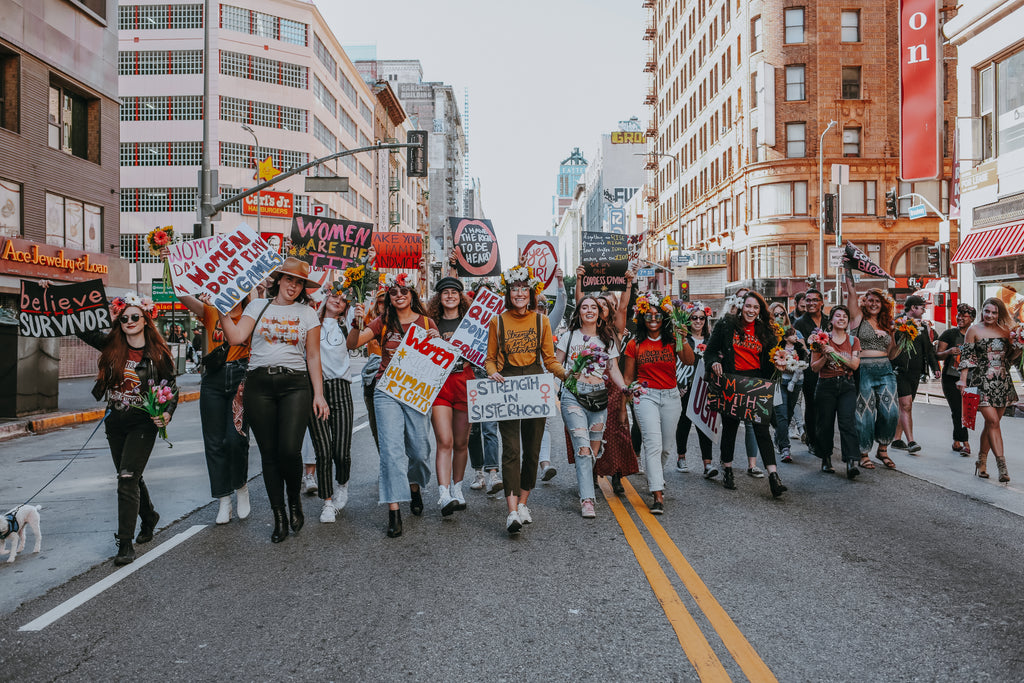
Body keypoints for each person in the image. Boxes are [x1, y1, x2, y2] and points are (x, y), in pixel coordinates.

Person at [215, 257, 328, 543]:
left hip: (295, 385)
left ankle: (293, 501)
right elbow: (237, 337)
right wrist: (221, 311)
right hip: (259, 384)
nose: (293, 286)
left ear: (304, 287)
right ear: (279, 280)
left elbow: (313, 356)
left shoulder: (307, 313)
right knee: (269, 455)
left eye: (299, 282)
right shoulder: (257, 306)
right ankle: (279, 516)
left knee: (289, 450)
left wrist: (319, 394)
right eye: (289, 279)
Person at [76, 292, 178, 565]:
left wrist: (166, 414)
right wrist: (50, 294)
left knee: (127, 477)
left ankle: (124, 544)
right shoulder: (111, 345)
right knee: (129, 475)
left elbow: (171, 387)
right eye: (124, 318)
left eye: (135, 317)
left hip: (142, 422)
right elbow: (79, 327)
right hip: (115, 421)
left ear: (145, 319)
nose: (130, 321)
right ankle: (149, 516)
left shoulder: (158, 353)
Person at [347, 272, 435, 537]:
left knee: (419, 451)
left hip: (416, 392)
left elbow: (438, 361)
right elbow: (353, 344)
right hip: (386, 390)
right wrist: (356, 322)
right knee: (391, 451)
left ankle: (415, 486)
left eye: (403, 292)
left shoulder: (427, 322)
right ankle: (394, 510)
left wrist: (436, 341)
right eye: (394, 293)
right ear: (389, 297)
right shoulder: (382, 321)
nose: (399, 296)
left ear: (412, 295)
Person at [485, 266, 567, 534]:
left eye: (523, 288)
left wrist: (567, 374)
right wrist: (492, 372)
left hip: (534, 384)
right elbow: (490, 357)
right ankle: (511, 512)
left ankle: (523, 503)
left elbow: (550, 359)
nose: (519, 293)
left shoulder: (541, 322)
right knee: (511, 450)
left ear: (531, 293)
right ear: (508, 293)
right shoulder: (497, 321)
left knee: (532, 451)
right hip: (507, 385)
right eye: (514, 288)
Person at [704, 290, 789, 497]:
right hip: (732, 379)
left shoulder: (766, 330)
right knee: (730, 426)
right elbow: (710, 350)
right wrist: (714, 361)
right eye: (748, 306)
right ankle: (728, 469)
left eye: (756, 307)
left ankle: (773, 476)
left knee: (762, 429)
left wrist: (780, 363)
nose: (751, 310)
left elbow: (772, 357)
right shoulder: (726, 324)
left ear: (760, 310)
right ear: (742, 306)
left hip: (757, 382)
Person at [623, 293, 696, 512]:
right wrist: (622, 405)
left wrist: (683, 338)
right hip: (645, 395)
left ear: (664, 317)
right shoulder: (634, 343)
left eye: (657, 315)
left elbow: (689, 361)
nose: (653, 319)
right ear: (641, 318)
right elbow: (628, 378)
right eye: (648, 315)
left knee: (666, 448)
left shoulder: (673, 339)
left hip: (671, 396)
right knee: (652, 444)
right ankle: (657, 493)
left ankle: (656, 476)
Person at [556, 295, 627, 518]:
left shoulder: (607, 339)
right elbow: (555, 365)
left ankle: (587, 469)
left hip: (598, 399)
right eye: (584, 307)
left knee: (592, 452)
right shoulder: (568, 337)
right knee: (583, 449)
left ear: (599, 313)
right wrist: (569, 373)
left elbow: (613, 369)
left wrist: (625, 388)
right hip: (573, 396)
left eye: (593, 307)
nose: (589, 310)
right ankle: (588, 499)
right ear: (578, 313)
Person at [307, 283, 356, 524]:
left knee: (341, 451)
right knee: (323, 450)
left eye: (343, 299)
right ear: (326, 297)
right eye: (334, 295)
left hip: (341, 389)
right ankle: (327, 502)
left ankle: (342, 485)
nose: (338, 300)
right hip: (316, 389)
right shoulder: (310, 322)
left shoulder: (347, 326)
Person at [958, 298, 1019, 482]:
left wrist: (1019, 345)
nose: (990, 315)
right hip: (981, 381)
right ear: (982, 311)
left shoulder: (1007, 331)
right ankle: (1002, 467)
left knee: (992, 424)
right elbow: (966, 357)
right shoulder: (974, 330)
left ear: (999, 313)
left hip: (1002, 382)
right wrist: (962, 380)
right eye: (987, 311)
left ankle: (981, 461)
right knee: (993, 421)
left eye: (994, 312)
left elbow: (1012, 357)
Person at [427, 276, 474, 516]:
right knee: (444, 440)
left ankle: (458, 487)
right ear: (438, 297)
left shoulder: (472, 323)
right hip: (439, 385)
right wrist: (430, 341)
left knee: (461, 442)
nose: (450, 295)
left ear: (460, 296)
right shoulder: (429, 324)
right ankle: (443, 493)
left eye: (454, 292)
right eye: (445, 292)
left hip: (465, 383)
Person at [845, 270, 898, 471]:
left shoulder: (888, 324)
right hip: (864, 369)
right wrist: (847, 271)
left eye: (877, 301)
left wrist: (902, 339)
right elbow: (851, 293)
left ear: (883, 304)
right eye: (870, 300)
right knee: (864, 411)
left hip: (885, 369)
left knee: (891, 410)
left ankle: (883, 449)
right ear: (864, 302)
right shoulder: (857, 319)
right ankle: (863, 452)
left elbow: (892, 354)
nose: (874, 303)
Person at [809, 306, 862, 478]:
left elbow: (854, 365)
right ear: (831, 320)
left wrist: (836, 353)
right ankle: (826, 458)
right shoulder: (820, 340)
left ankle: (851, 461)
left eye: (845, 316)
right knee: (825, 424)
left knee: (847, 422)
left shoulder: (854, 340)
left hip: (847, 385)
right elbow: (814, 368)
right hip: (826, 385)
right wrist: (825, 355)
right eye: (837, 316)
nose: (842, 318)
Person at [890, 295, 940, 453]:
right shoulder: (897, 323)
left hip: (916, 371)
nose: (924, 311)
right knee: (906, 405)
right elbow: (891, 346)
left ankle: (896, 439)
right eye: (922, 307)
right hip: (899, 370)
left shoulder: (924, 326)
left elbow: (928, 349)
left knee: (904, 405)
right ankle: (911, 441)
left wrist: (935, 367)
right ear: (913, 308)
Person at [674, 303, 716, 477]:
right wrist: (678, 385)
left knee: (704, 424)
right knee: (684, 423)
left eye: (701, 318)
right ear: (688, 320)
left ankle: (707, 464)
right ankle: (681, 457)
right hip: (686, 387)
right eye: (694, 318)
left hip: (706, 387)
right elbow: (675, 362)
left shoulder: (711, 340)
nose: (698, 321)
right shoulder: (683, 338)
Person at [536, 268, 567, 482]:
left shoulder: (548, 324)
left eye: (543, 306)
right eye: (536, 305)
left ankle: (545, 463)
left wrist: (560, 281)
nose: (540, 309)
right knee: (520, 427)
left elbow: (562, 305)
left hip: (543, 379)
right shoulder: (512, 321)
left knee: (543, 423)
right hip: (518, 379)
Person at [792, 288, 829, 459]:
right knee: (812, 406)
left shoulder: (829, 321)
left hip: (830, 369)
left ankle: (825, 440)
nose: (811, 303)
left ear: (822, 302)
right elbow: (797, 348)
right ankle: (812, 441)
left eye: (815, 300)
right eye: (808, 300)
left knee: (827, 407)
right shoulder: (799, 323)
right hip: (809, 370)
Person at [936, 303, 976, 455]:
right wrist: (948, 352)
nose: (959, 318)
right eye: (958, 315)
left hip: (972, 378)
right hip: (951, 378)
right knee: (958, 410)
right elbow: (937, 354)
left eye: (963, 316)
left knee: (969, 411)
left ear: (971, 319)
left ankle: (956, 441)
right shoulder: (949, 334)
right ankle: (966, 443)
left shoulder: (976, 334)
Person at [774, 326, 807, 463]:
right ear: (785, 337)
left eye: (796, 334)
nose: (795, 336)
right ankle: (785, 448)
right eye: (792, 334)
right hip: (781, 382)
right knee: (782, 414)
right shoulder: (778, 348)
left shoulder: (799, 348)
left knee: (788, 413)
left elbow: (804, 362)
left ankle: (778, 437)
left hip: (796, 383)